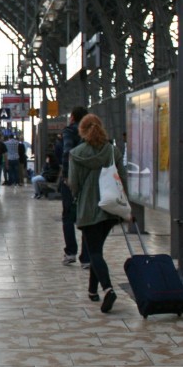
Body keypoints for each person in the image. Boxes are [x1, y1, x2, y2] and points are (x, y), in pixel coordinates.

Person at [68, 113, 130, 313]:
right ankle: (92, 290)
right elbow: (122, 177)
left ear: (82, 130)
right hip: (110, 208)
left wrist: (77, 196)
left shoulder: (76, 153)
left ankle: (108, 289)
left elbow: (74, 183)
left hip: (88, 207)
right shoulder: (112, 151)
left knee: (94, 251)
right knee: (96, 249)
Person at [58, 106, 89, 267]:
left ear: (72, 117)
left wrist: (66, 175)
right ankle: (87, 257)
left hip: (72, 179)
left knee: (68, 215)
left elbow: (67, 153)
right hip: (88, 179)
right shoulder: (91, 131)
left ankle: (70, 252)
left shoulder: (70, 131)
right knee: (87, 216)